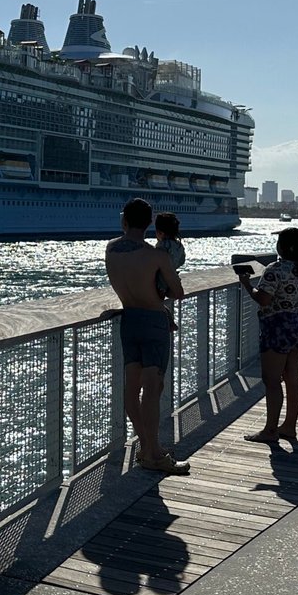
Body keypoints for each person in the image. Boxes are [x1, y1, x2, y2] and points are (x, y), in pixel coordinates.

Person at [106, 198, 189, 473]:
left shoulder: (111, 249)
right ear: (150, 222)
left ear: (124, 220)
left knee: (132, 390)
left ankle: (147, 447)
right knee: (153, 389)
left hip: (129, 320)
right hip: (153, 321)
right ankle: (154, 454)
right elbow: (177, 292)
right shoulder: (156, 256)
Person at [241, 228, 298, 443]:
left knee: (272, 380)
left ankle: (270, 430)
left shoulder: (275, 269)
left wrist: (247, 285)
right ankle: (289, 426)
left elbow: (264, 299)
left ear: (284, 246)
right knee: (293, 378)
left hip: (278, 325)